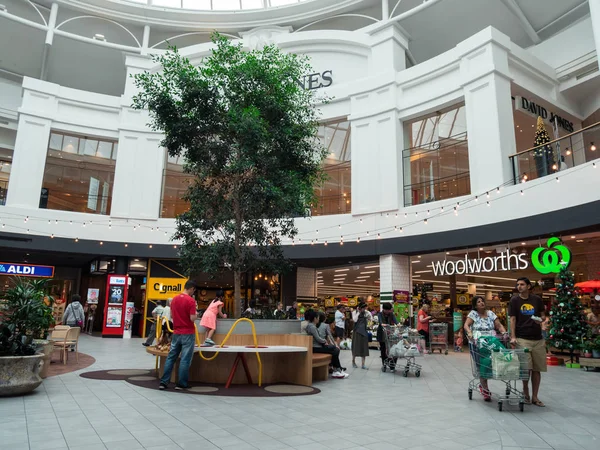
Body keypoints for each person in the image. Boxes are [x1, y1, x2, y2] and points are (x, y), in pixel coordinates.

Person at [509, 277, 547, 407]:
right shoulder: (514, 300)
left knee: (537, 369)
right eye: (518, 284)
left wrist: (541, 320)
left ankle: (535, 397)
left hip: (537, 339)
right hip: (522, 338)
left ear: (529, 286)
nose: (519, 286)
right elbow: (512, 319)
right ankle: (526, 394)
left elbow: (543, 316)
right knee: (526, 369)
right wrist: (513, 337)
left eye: (522, 284)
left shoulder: (537, 300)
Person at [464, 296, 507, 402]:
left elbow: (499, 325)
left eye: (482, 301)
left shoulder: (491, 314)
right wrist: (469, 333)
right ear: (475, 305)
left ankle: (483, 385)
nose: (481, 303)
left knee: (490, 364)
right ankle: (485, 389)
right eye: (478, 302)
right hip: (477, 343)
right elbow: (466, 325)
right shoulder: (473, 314)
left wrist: (504, 333)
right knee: (481, 365)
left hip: (491, 343)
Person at [159, 280, 198, 391]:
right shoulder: (191, 301)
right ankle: (181, 384)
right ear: (191, 288)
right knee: (185, 359)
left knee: (171, 357)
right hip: (188, 333)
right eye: (193, 291)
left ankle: (163, 382)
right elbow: (192, 318)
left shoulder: (174, 300)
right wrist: (196, 314)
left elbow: (171, 315)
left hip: (176, 332)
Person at [305, 309, 347, 378]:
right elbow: (318, 338)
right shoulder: (312, 327)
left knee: (335, 350)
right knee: (335, 349)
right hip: (316, 347)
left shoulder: (311, 326)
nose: (318, 319)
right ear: (315, 318)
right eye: (317, 317)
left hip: (317, 346)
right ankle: (337, 369)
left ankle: (336, 369)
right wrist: (325, 341)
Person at [377, 303, 398, 369]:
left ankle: (392, 364)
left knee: (392, 349)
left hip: (389, 333)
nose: (389, 311)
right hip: (381, 333)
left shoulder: (391, 314)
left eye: (390, 310)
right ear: (384, 309)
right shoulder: (380, 314)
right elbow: (380, 321)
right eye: (388, 310)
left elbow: (395, 320)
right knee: (383, 349)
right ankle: (384, 363)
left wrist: (398, 324)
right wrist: (382, 324)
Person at [351, 302, 370, 369]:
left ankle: (363, 364)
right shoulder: (354, 312)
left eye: (365, 308)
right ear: (359, 308)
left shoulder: (366, 312)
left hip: (364, 332)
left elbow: (370, 318)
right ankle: (353, 361)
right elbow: (354, 320)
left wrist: (368, 316)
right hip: (357, 332)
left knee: (364, 348)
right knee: (356, 347)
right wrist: (358, 312)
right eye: (363, 308)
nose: (364, 309)